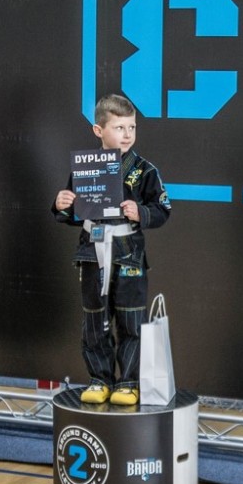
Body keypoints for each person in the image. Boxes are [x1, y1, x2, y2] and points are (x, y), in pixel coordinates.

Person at [53, 94, 171, 405]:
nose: (127, 134)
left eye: (132, 127)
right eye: (119, 128)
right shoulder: (86, 170)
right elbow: (73, 212)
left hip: (128, 252)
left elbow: (163, 209)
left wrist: (140, 213)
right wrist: (62, 204)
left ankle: (129, 382)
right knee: (95, 320)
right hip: (93, 251)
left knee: (131, 319)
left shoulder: (145, 171)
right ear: (99, 130)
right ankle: (100, 379)